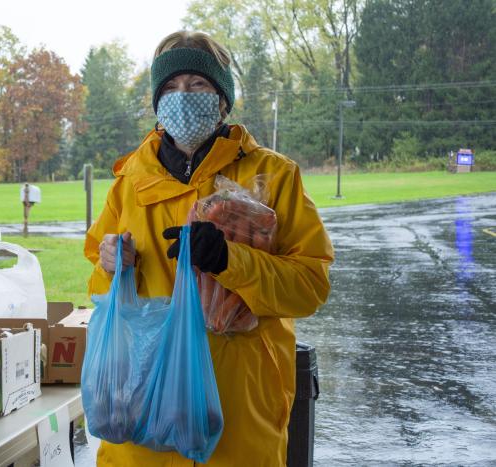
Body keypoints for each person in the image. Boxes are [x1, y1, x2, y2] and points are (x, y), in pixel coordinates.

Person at [84, 30, 334, 467]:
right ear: (157, 102)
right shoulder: (129, 182)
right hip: (143, 413)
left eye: (197, 85)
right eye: (170, 87)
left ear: (222, 97)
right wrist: (111, 262)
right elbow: (100, 273)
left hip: (237, 415)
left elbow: (310, 286)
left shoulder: (273, 176)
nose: (183, 97)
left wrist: (229, 260)